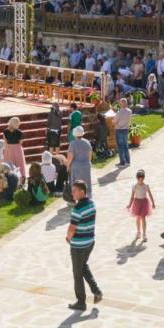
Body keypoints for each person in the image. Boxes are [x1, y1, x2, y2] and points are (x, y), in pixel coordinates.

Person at [67, 180, 101, 311]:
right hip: (90, 243)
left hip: (78, 246)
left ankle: (81, 302)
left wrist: (68, 238)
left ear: (82, 192)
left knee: (77, 273)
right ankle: (96, 291)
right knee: (83, 267)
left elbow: (71, 228)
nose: (72, 193)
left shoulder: (77, 208)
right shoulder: (92, 203)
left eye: (74, 190)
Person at [126, 169, 155, 241]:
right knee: (138, 218)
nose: (141, 181)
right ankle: (138, 232)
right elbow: (132, 196)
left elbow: (150, 195)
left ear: (144, 178)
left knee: (143, 218)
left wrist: (153, 203)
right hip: (137, 203)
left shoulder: (146, 186)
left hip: (144, 203)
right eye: (139, 179)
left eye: (142, 179)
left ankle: (144, 234)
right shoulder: (134, 186)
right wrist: (129, 204)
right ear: (137, 178)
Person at [67, 126, 93, 198]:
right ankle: (88, 197)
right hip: (86, 165)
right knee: (87, 182)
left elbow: (70, 157)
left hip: (76, 167)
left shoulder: (72, 144)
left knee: (76, 184)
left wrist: (68, 166)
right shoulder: (87, 142)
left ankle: (77, 198)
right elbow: (90, 154)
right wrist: (88, 162)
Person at [3, 117, 27, 182]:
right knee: (19, 163)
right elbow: (20, 142)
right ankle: (21, 177)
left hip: (8, 148)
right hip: (17, 149)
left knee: (8, 163)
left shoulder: (5, 131)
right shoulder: (20, 132)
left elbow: (5, 141)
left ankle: (8, 177)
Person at [113, 98, 132, 167]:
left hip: (119, 130)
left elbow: (114, 122)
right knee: (125, 146)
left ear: (121, 104)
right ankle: (128, 161)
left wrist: (115, 122)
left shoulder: (119, 112)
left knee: (120, 146)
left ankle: (122, 162)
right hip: (126, 129)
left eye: (120, 103)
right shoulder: (129, 111)